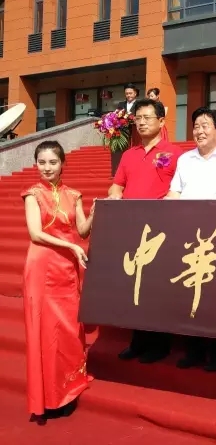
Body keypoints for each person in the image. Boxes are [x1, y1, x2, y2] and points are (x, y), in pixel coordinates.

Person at [21, 141, 95, 425]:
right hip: (42, 267)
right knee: (43, 330)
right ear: (36, 164)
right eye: (42, 162)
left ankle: (67, 389)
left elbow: (82, 231)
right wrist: (72, 247)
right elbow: (35, 233)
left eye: (53, 162)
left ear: (63, 163)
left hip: (66, 270)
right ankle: (46, 397)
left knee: (68, 329)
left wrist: (94, 213)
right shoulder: (32, 194)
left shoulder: (74, 195)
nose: (47, 167)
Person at [108, 98, 183, 364]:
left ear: (161, 121)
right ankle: (137, 341)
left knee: (157, 287)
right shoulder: (129, 154)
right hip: (132, 228)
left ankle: (160, 343)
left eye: (147, 118)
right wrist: (114, 195)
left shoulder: (175, 153)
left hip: (161, 230)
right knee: (134, 285)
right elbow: (117, 185)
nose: (141, 122)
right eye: (137, 118)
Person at [166, 107, 216, 371]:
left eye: (204, 125)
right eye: (196, 126)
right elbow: (174, 193)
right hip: (188, 238)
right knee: (190, 293)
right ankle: (194, 350)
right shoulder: (185, 160)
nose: (198, 130)